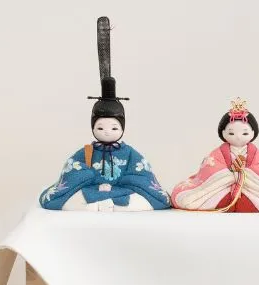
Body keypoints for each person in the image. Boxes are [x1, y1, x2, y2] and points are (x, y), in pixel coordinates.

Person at [39, 17, 170, 212]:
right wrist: (91, 178)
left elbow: (142, 175)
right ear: (92, 126)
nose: (107, 131)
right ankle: (98, 204)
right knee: (72, 198)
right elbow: (73, 171)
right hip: (92, 190)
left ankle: (109, 204)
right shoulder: (87, 152)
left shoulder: (129, 153)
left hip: (122, 190)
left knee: (141, 199)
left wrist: (123, 181)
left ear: (123, 127)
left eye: (114, 127)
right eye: (100, 127)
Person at [171, 98, 259, 212]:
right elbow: (210, 167)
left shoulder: (256, 153)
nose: (238, 137)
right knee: (188, 198)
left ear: (253, 132)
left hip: (252, 188)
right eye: (231, 133)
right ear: (223, 133)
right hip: (222, 187)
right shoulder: (218, 153)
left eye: (245, 133)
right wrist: (230, 176)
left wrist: (243, 175)